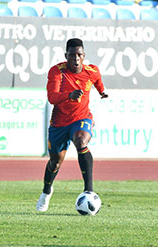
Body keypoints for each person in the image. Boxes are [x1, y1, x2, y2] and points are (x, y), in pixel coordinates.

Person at [36, 38, 108, 212]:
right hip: (59, 123)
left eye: (79, 55)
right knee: (55, 162)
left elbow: (97, 81)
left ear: (84, 56)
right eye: (72, 55)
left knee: (81, 140)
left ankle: (89, 190)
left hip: (81, 118)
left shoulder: (92, 70)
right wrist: (69, 95)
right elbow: (52, 97)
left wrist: (102, 91)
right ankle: (46, 191)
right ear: (65, 56)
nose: (76, 59)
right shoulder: (56, 72)